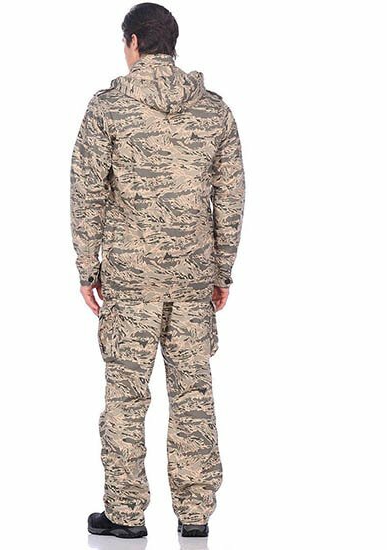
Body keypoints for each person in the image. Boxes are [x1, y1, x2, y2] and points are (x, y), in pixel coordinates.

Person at [70, 2, 245, 540]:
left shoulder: (108, 109)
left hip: (129, 282)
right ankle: (194, 515)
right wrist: (222, 271)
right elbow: (230, 197)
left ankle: (125, 514)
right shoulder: (213, 111)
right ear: (172, 43)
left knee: (126, 395)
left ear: (133, 43)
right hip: (193, 281)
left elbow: (86, 193)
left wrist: (87, 268)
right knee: (193, 395)